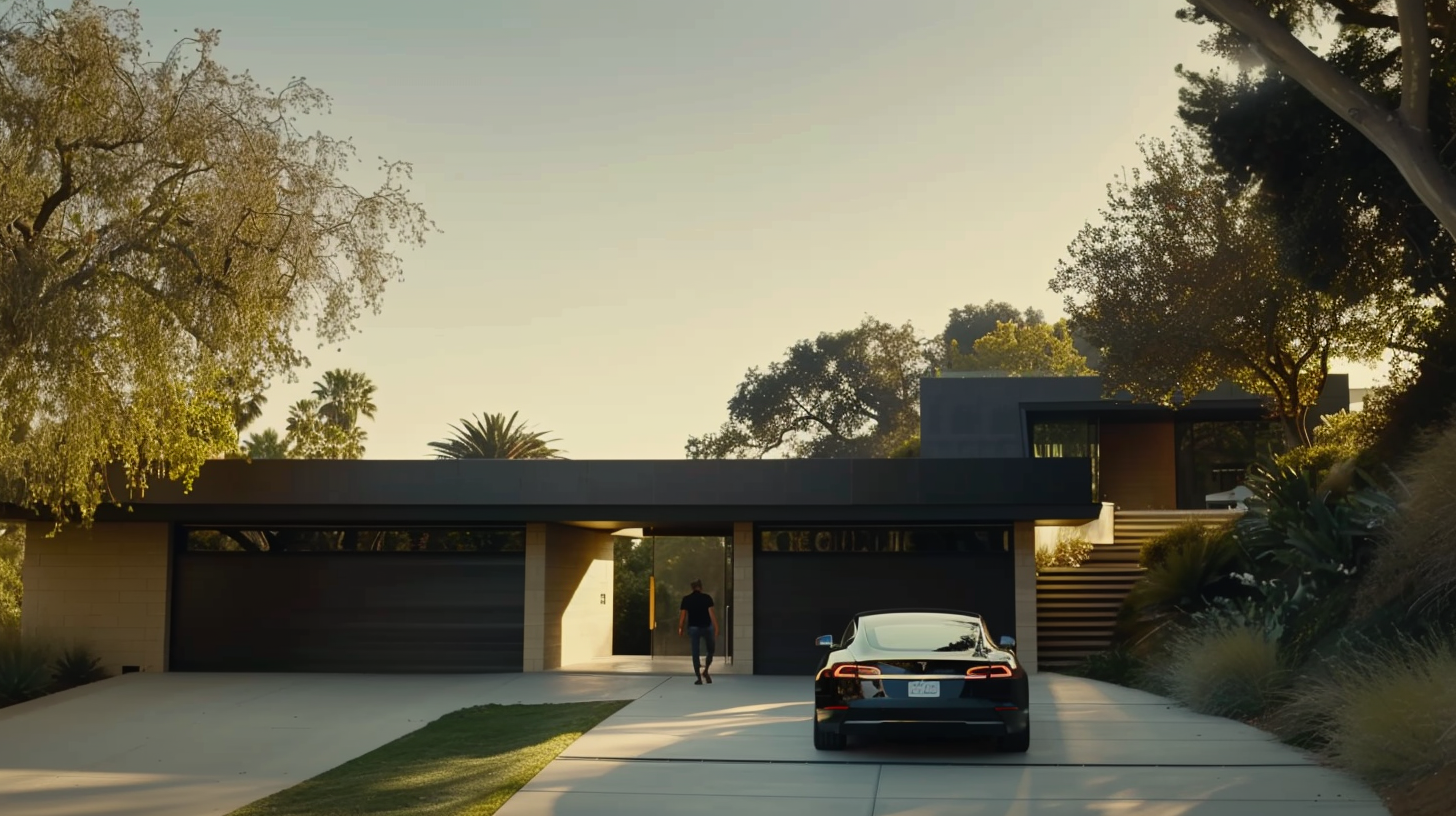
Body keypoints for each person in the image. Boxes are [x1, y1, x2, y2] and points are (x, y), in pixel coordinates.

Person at [677, 579, 718, 685]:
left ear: (692, 588)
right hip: (706, 626)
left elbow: (683, 615)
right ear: (701, 587)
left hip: (693, 627)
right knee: (710, 650)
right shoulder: (707, 598)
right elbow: (711, 614)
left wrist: (680, 627)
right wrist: (716, 627)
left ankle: (698, 677)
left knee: (695, 652)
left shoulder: (687, 599)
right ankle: (706, 670)